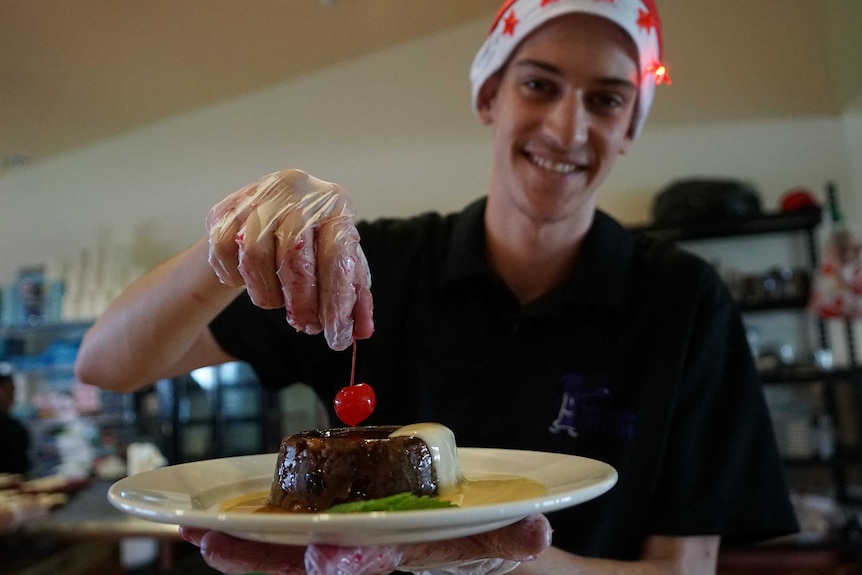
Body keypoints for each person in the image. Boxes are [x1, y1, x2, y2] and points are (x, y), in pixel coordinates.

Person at [74, 0, 799, 573]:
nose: (567, 127)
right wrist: (230, 242)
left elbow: (684, 569)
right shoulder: (373, 267)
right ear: (489, 96)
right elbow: (108, 363)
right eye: (539, 84)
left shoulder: (683, 299)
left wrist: (483, 559)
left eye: (607, 100)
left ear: (630, 127)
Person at [0, 364, 31, 476]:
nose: (12, 396)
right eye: (6, 390)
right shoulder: (11, 427)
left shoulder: (15, 426)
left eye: (13, 390)